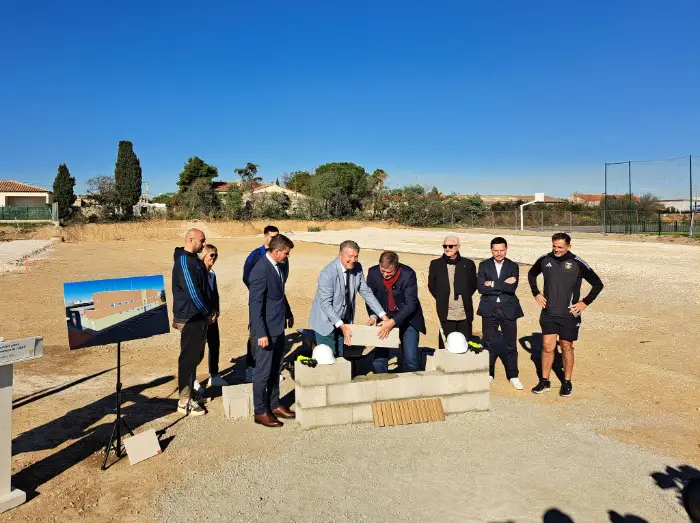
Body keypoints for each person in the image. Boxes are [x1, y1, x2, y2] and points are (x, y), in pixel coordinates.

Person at [527, 232, 604, 397]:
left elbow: (598, 284)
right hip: (549, 312)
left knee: (566, 346)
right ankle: (545, 381)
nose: (556, 250)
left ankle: (567, 381)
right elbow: (531, 274)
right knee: (548, 346)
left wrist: (585, 302)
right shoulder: (545, 259)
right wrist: (536, 293)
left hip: (569, 314)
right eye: (554, 246)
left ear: (569, 246)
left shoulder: (577, 263)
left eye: (560, 247)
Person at [309, 240, 390, 357]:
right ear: (340, 255)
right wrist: (341, 325)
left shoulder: (357, 267)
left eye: (356, 256)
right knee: (328, 357)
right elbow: (326, 304)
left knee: (340, 355)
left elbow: (366, 292)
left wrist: (384, 316)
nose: (353, 260)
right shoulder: (327, 273)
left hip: (345, 320)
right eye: (350, 256)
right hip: (325, 322)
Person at [248, 234, 296, 427]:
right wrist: (260, 333)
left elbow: (278, 295)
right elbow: (255, 304)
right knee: (263, 372)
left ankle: (274, 404)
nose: (287, 256)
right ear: (276, 251)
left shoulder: (278, 267)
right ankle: (260, 411)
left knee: (275, 368)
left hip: (277, 326)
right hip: (265, 331)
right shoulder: (260, 270)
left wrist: (288, 313)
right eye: (285, 253)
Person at [172, 228, 216, 416]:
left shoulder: (195, 261)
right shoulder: (183, 261)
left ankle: (190, 393)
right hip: (191, 317)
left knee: (196, 357)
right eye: (202, 240)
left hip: (200, 317)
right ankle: (183, 402)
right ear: (191, 240)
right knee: (188, 360)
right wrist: (208, 311)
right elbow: (193, 292)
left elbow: (204, 287)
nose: (204, 244)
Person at [365, 251, 426, 373]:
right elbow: (370, 298)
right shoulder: (373, 273)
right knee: (380, 359)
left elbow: (411, 304)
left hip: (408, 318)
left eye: (389, 272)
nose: (385, 275)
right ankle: (381, 384)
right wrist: (373, 316)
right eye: (383, 271)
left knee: (410, 360)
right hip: (384, 318)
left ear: (397, 266)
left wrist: (392, 322)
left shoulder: (408, 274)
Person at [477, 237, 524, 389]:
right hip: (489, 308)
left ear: (506, 249)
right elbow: (481, 288)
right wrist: (502, 283)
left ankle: (513, 375)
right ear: (491, 250)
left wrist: (491, 283)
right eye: (496, 250)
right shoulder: (483, 265)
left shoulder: (513, 266)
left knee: (510, 344)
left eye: (501, 250)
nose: (499, 253)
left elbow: (511, 289)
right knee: (488, 343)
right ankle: (489, 373)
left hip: (508, 309)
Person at [242, 225, 286, 382]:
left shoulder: (282, 256)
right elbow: (247, 277)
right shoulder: (255, 255)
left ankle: (274, 369)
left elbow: (281, 282)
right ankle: (251, 367)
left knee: (277, 339)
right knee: (256, 336)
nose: (275, 239)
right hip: (260, 301)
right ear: (265, 236)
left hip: (276, 304)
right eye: (272, 237)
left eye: (277, 236)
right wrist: (261, 292)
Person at [428, 234, 477, 349]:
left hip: (463, 311)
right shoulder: (436, 264)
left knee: (464, 344)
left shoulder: (468, 264)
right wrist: (442, 297)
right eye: (445, 246)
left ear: (458, 247)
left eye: (450, 246)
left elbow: (473, 285)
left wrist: (463, 295)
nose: (447, 249)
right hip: (445, 312)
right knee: (445, 346)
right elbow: (432, 286)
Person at [196, 244, 228, 388]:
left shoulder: (212, 274)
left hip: (212, 316)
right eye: (211, 255)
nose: (214, 258)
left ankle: (214, 375)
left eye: (216, 255)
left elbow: (215, 294)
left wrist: (217, 311)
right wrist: (206, 314)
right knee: (197, 349)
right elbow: (198, 296)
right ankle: (192, 380)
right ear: (204, 255)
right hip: (200, 317)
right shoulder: (198, 273)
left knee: (214, 344)